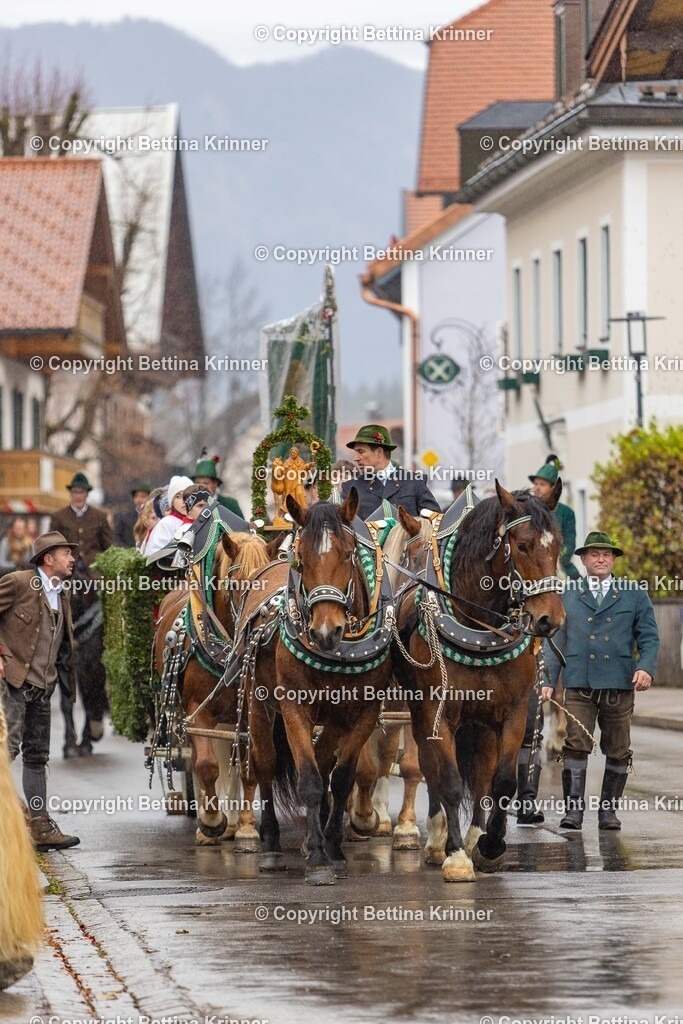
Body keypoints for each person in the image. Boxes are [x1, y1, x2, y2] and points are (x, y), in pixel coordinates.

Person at [542, 531, 659, 831]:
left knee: (618, 748)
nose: (601, 559)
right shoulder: (567, 594)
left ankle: (608, 813)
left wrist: (645, 668)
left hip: (619, 684)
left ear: (614, 559)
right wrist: (547, 679)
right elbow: (555, 642)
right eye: (594, 554)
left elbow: (649, 637)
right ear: (583, 560)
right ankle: (574, 813)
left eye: (607, 554)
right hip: (579, 683)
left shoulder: (634, 593)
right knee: (576, 745)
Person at [0, 531, 80, 850]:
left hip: (43, 687)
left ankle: (40, 827)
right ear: (48, 558)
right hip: (14, 681)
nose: (72, 558)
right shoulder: (19, 582)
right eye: (66, 554)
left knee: (37, 757)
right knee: (6, 751)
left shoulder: (62, 592)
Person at [342, 424, 441, 521]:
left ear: (379, 453)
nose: (356, 458)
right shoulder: (350, 488)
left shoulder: (414, 482)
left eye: (361, 451)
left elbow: (434, 521)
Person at [529, 455, 579, 580]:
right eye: (535, 484)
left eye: (542, 484)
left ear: (553, 488)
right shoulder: (526, 510)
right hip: (531, 565)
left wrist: (554, 561)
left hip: (559, 565)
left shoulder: (567, 513)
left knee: (583, 590)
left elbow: (569, 544)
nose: (537, 488)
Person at [50, 472, 114, 570]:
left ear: (87, 494)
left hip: (94, 571)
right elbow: (52, 545)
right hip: (66, 571)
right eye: (75, 492)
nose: (78, 496)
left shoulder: (99, 516)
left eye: (82, 492)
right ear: (70, 494)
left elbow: (109, 546)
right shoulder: (59, 516)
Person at [144, 476, 194, 557]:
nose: (184, 501)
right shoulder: (167, 523)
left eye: (188, 495)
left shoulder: (199, 521)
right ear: (172, 501)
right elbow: (154, 554)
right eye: (178, 496)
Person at [192, 450, 244, 518]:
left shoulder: (230, 505)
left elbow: (243, 527)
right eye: (197, 483)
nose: (201, 486)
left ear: (215, 483)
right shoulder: (190, 504)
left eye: (206, 483)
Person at [114, 482, 152, 548]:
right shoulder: (124, 518)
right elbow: (117, 538)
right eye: (136, 496)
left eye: (143, 496)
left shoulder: (154, 517)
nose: (138, 500)